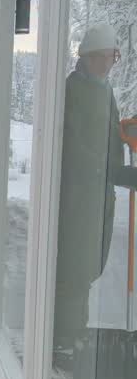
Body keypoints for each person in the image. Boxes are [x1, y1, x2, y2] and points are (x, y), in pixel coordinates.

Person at [54, 23, 137, 350]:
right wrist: (112, 171)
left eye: (110, 57)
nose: (106, 64)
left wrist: (123, 152)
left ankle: (74, 334)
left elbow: (108, 137)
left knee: (89, 267)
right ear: (85, 57)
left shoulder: (105, 90)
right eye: (99, 57)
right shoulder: (73, 90)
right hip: (78, 196)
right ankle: (64, 338)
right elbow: (72, 144)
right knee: (75, 269)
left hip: (100, 195)